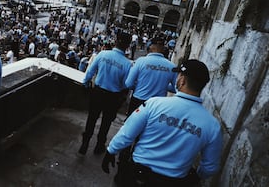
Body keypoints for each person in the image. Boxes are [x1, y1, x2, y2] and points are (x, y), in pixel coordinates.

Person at [102, 59, 223, 187]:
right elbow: (210, 167)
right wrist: (197, 176)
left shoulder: (154, 104)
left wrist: (111, 151)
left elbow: (127, 134)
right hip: (174, 182)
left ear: (182, 80)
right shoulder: (212, 125)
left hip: (138, 176)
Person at [114, 41, 178, 186]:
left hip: (138, 102)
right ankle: (137, 167)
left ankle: (121, 167)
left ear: (151, 49)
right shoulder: (171, 66)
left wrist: (142, 83)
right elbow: (175, 88)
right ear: (163, 51)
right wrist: (161, 84)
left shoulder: (141, 61)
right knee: (146, 136)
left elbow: (129, 83)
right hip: (158, 105)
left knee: (130, 131)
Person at [78, 30, 132, 155]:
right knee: (106, 122)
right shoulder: (127, 64)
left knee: (91, 118)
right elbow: (126, 84)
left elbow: (90, 72)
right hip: (113, 96)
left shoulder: (103, 54)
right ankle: (99, 145)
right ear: (127, 46)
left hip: (98, 92)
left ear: (116, 41)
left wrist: (85, 84)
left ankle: (85, 143)